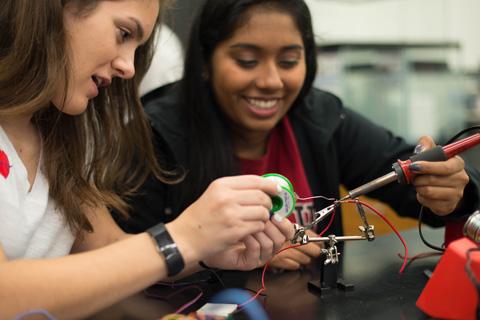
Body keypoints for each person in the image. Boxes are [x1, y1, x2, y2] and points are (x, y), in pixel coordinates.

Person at [118, 0, 480, 271]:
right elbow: (123, 263)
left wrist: (455, 194)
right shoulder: (155, 134)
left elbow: (418, 189)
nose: (271, 81)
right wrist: (224, 260)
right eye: (246, 60)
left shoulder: (322, 117)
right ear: (206, 61)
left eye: (289, 61)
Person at [0, 1, 294, 318]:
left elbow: (111, 249)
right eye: (123, 33)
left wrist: (209, 247)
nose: (128, 67)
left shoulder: (58, 139)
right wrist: (183, 238)